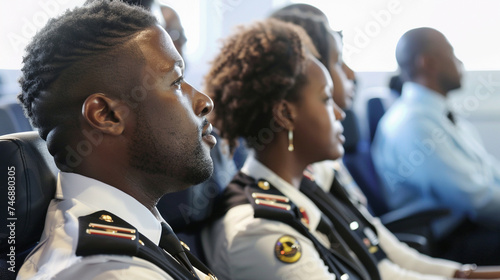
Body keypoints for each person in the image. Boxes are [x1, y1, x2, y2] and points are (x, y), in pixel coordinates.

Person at [201, 18, 500, 280]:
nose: (341, 114)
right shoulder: (259, 230)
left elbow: (379, 265)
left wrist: (469, 275)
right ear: (286, 114)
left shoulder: (309, 182)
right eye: (326, 99)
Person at [16, 1, 217, 279]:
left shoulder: (140, 235)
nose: (204, 102)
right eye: (176, 82)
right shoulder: (111, 270)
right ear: (106, 115)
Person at [372, 27, 500, 265]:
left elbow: (489, 172)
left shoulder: (439, 114)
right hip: (449, 240)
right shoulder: (414, 124)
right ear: (428, 63)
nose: (460, 62)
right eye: (452, 54)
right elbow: (474, 197)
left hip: (469, 226)